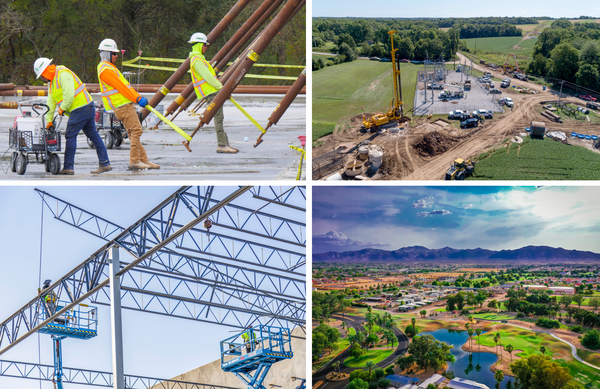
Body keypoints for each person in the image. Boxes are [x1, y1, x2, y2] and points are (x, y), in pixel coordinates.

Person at [34, 58, 111, 175]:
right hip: (86, 107)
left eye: (41, 76)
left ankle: (68, 167)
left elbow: (69, 96)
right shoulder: (52, 82)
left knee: (70, 135)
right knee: (93, 135)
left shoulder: (63, 74)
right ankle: (105, 163)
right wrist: (49, 121)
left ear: (46, 70)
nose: (42, 79)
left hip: (81, 107)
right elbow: (51, 102)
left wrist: (62, 108)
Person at [97, 39, 159, 170]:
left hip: (124, 105)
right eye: (114, 53)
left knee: (132, 132)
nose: (117, 56)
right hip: (122, 106)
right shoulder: (105, 70)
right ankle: (135, 161)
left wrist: (137, 97)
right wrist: (137, 99)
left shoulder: (110, 68)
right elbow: (122, 88)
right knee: (136, 130)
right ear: (107, 54)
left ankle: (144, 160)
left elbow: (126, 87)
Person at [188, 32, 238, 153]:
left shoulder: (199, 59)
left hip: (212, 91)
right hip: (210, 92)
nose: (206, 47)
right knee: (218, 117)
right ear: (199, 45)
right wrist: (222, 88)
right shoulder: (197, 60)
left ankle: (225, 143)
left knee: (219, 117)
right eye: (205, 45)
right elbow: (208, 77)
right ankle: (221, 145)